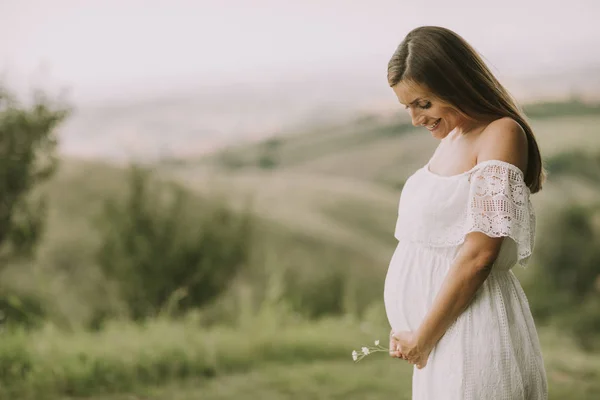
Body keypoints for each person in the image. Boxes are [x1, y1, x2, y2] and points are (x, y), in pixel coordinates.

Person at [383, 26, 548, 399]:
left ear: (455, 85)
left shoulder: (500, 133)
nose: (415, 118)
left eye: (423, 104)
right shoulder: (453, 137)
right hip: (439, 337)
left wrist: (422, 338)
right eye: (407, 106)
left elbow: (479, 256)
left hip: (472, 332)